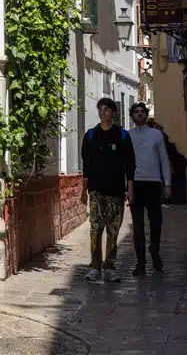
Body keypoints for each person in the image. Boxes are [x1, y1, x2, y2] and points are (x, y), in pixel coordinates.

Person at [81, 97, 136, 282]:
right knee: (95, 228)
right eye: (100, 109)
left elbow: (130, 164)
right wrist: (83, 190)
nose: (103, 112)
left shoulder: (122, 136)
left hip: (116, 190)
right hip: (96, 190)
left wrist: (130, 189)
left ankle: (110, 267)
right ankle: (94, 266)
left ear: (113, 112)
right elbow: (86, 165)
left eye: (106, 109)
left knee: (113, 230)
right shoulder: (90, 135)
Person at [129, 102, 172, 276]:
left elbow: (164, 159)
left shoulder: (157, 135)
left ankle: (154, 251)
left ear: (146, 115)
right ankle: (140, 262)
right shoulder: (127, 136)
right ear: (132, 116)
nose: (139, 115)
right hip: (136, 184)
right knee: (137, 226)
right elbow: (125, 163)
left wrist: (167, 183)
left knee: (156, 223)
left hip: (153, 183)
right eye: (136, 112)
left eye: (142, 112)